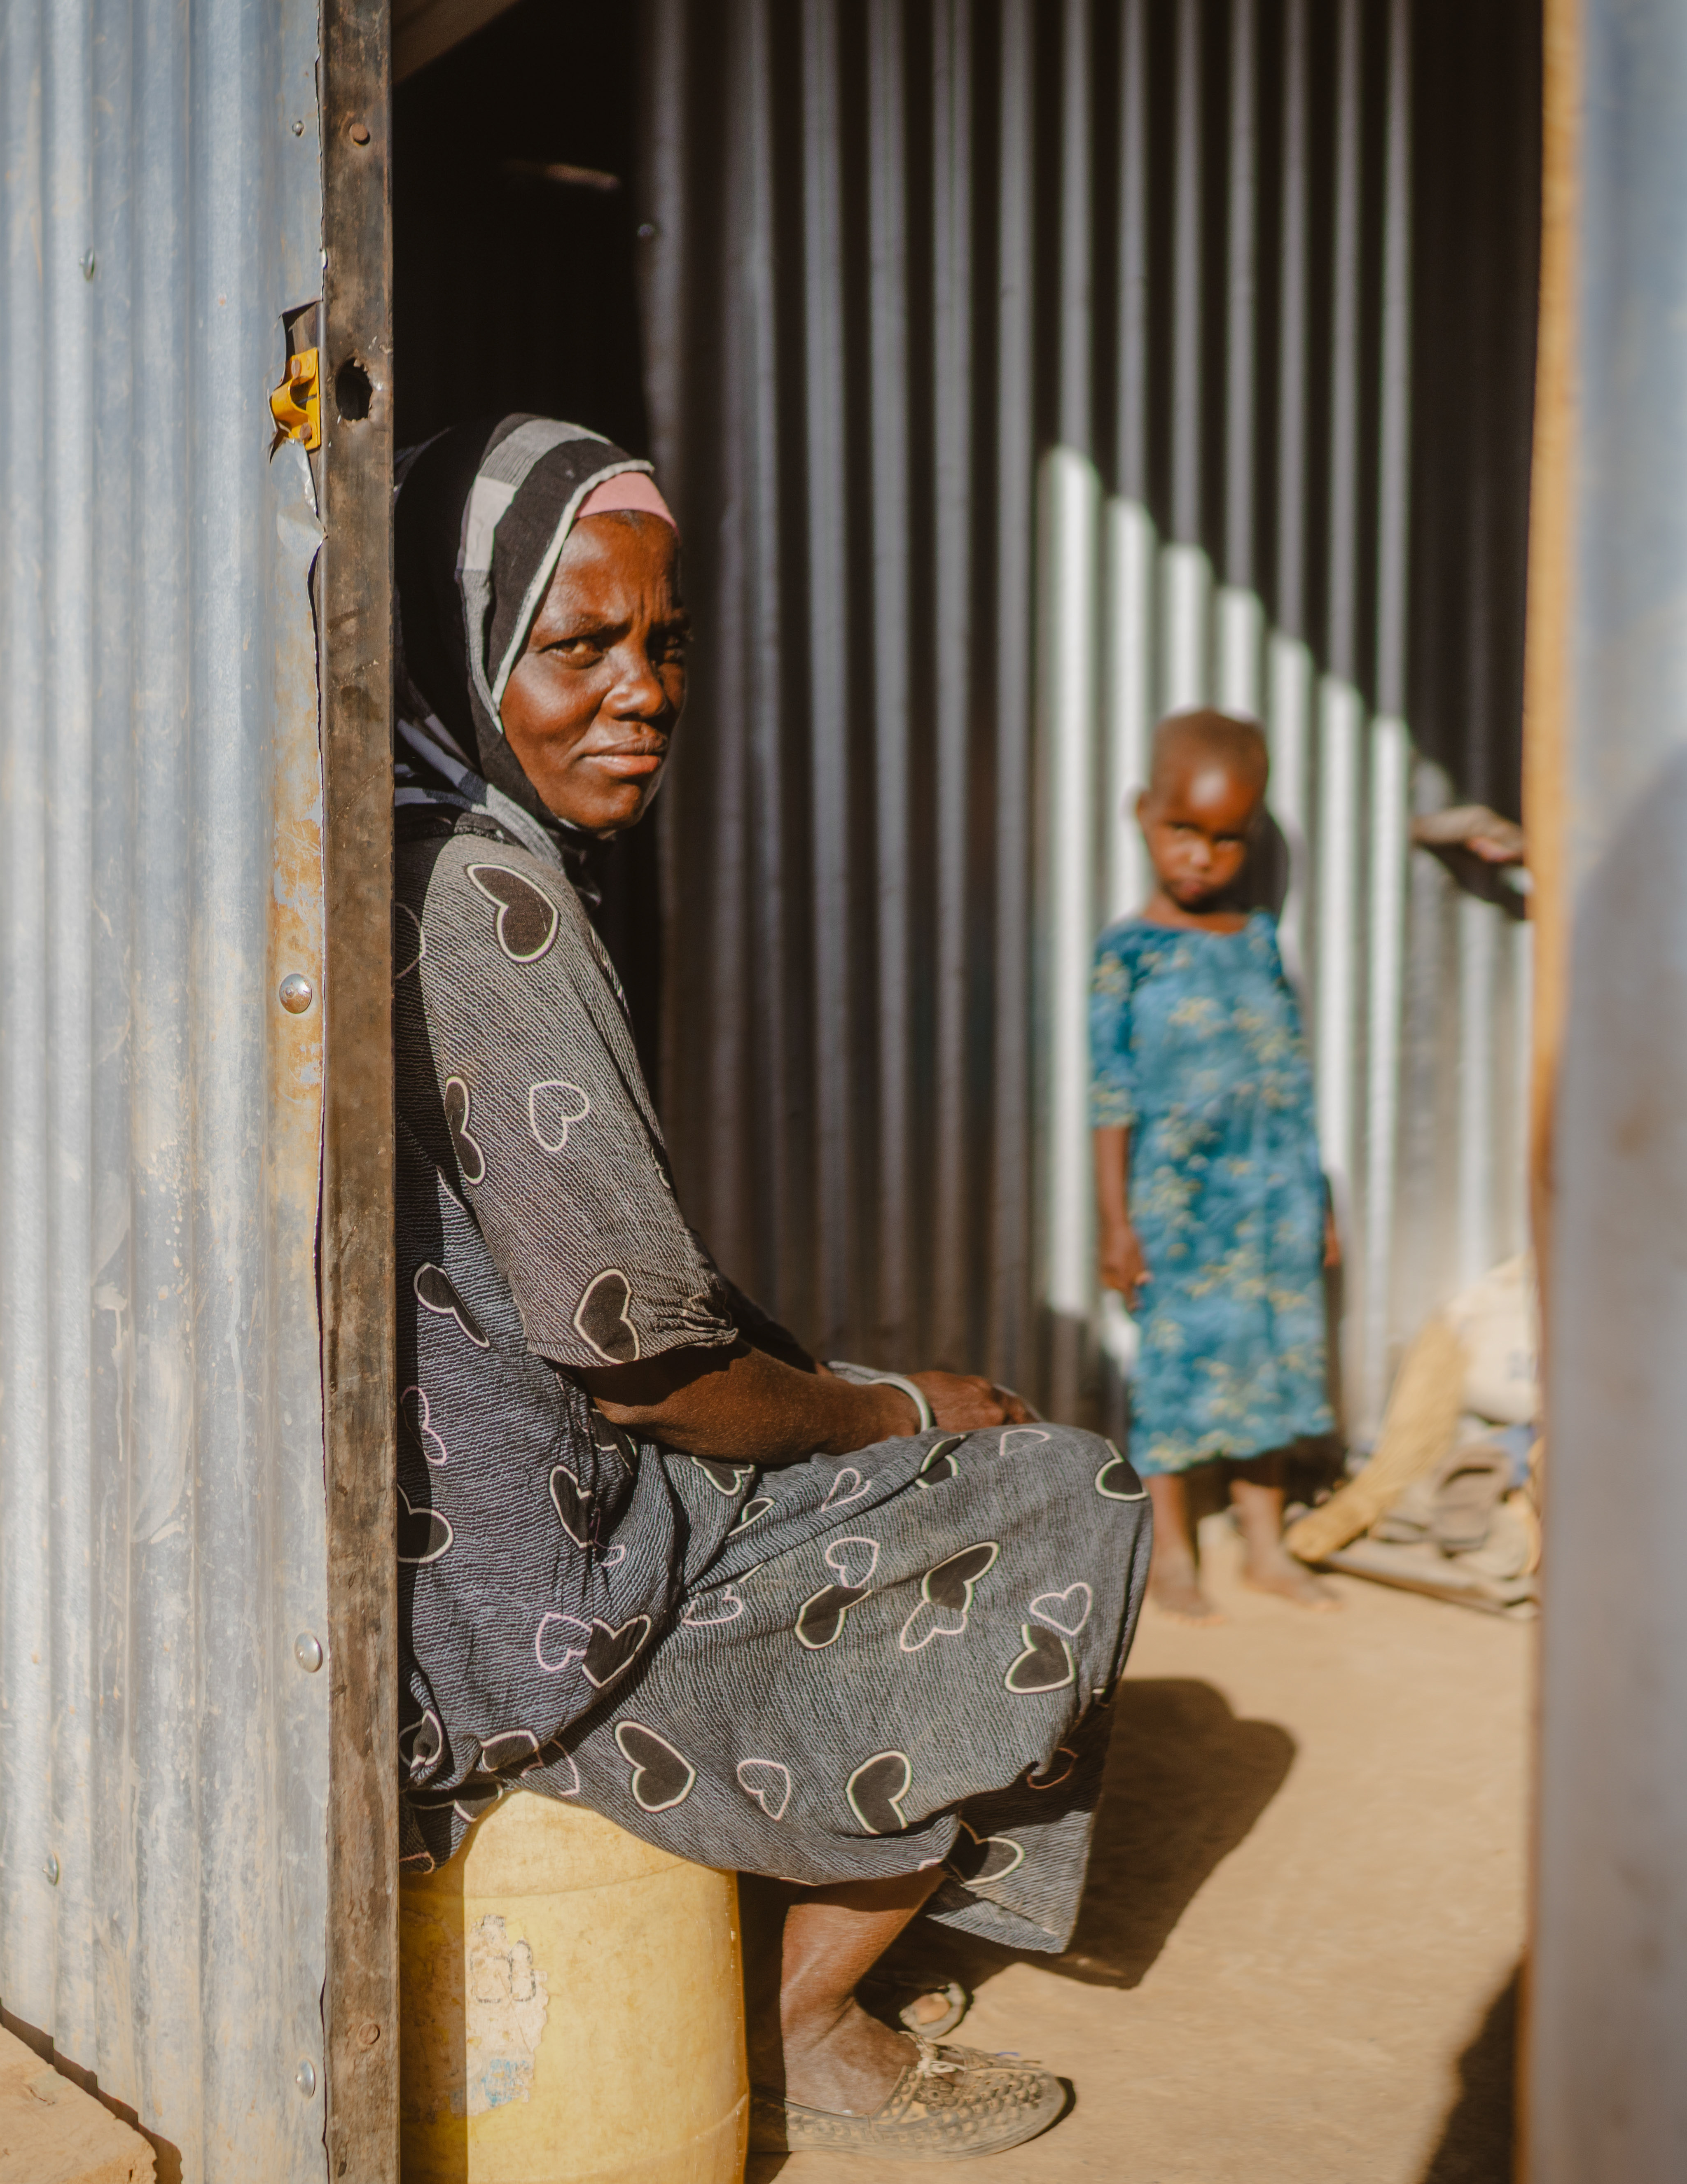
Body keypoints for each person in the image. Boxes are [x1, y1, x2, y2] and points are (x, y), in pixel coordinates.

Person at [390, 414, 1153, 2161]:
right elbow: (649, 1379)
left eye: (661, 644)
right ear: (467, 645)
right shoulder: (488, 907)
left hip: (469, 1575)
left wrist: (827, 1386)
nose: (642, 690)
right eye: (577, 645)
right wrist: (892, 1407)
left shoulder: (419, 846)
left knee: (860, 1410)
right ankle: (803, 2023)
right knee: (1070, 1496)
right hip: (553, 1616)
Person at [1091, 709, 1341, 1620]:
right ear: (1142, 814)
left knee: (1267, 1368)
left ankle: (1267, 1548)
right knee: (1176, 1366)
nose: (1201, 856)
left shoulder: (1262, 942)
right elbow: (1108, 1096)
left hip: (1269, 1198)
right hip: (1178, 1204)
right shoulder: (1129, 953)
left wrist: (1315, 1199)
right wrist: (1116, 1222)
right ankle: (1176, 1554)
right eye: (1182, 831)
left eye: (1226, 839)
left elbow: (1289, 1077)